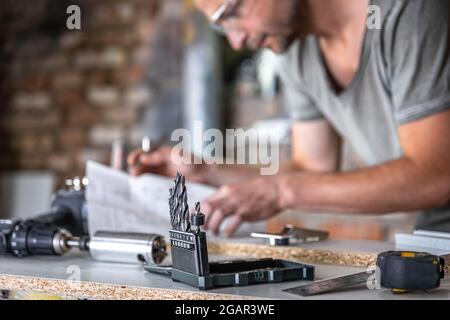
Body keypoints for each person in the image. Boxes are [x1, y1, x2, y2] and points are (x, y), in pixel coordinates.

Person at [128, 0, 450, 237]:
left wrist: (280, 191)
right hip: (435, 239)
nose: (236, 41)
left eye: (232, 15)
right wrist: (205, 172)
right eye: (220, 26)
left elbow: (436, 175)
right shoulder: (296, 50)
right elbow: (312, 171)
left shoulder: (408, 12)